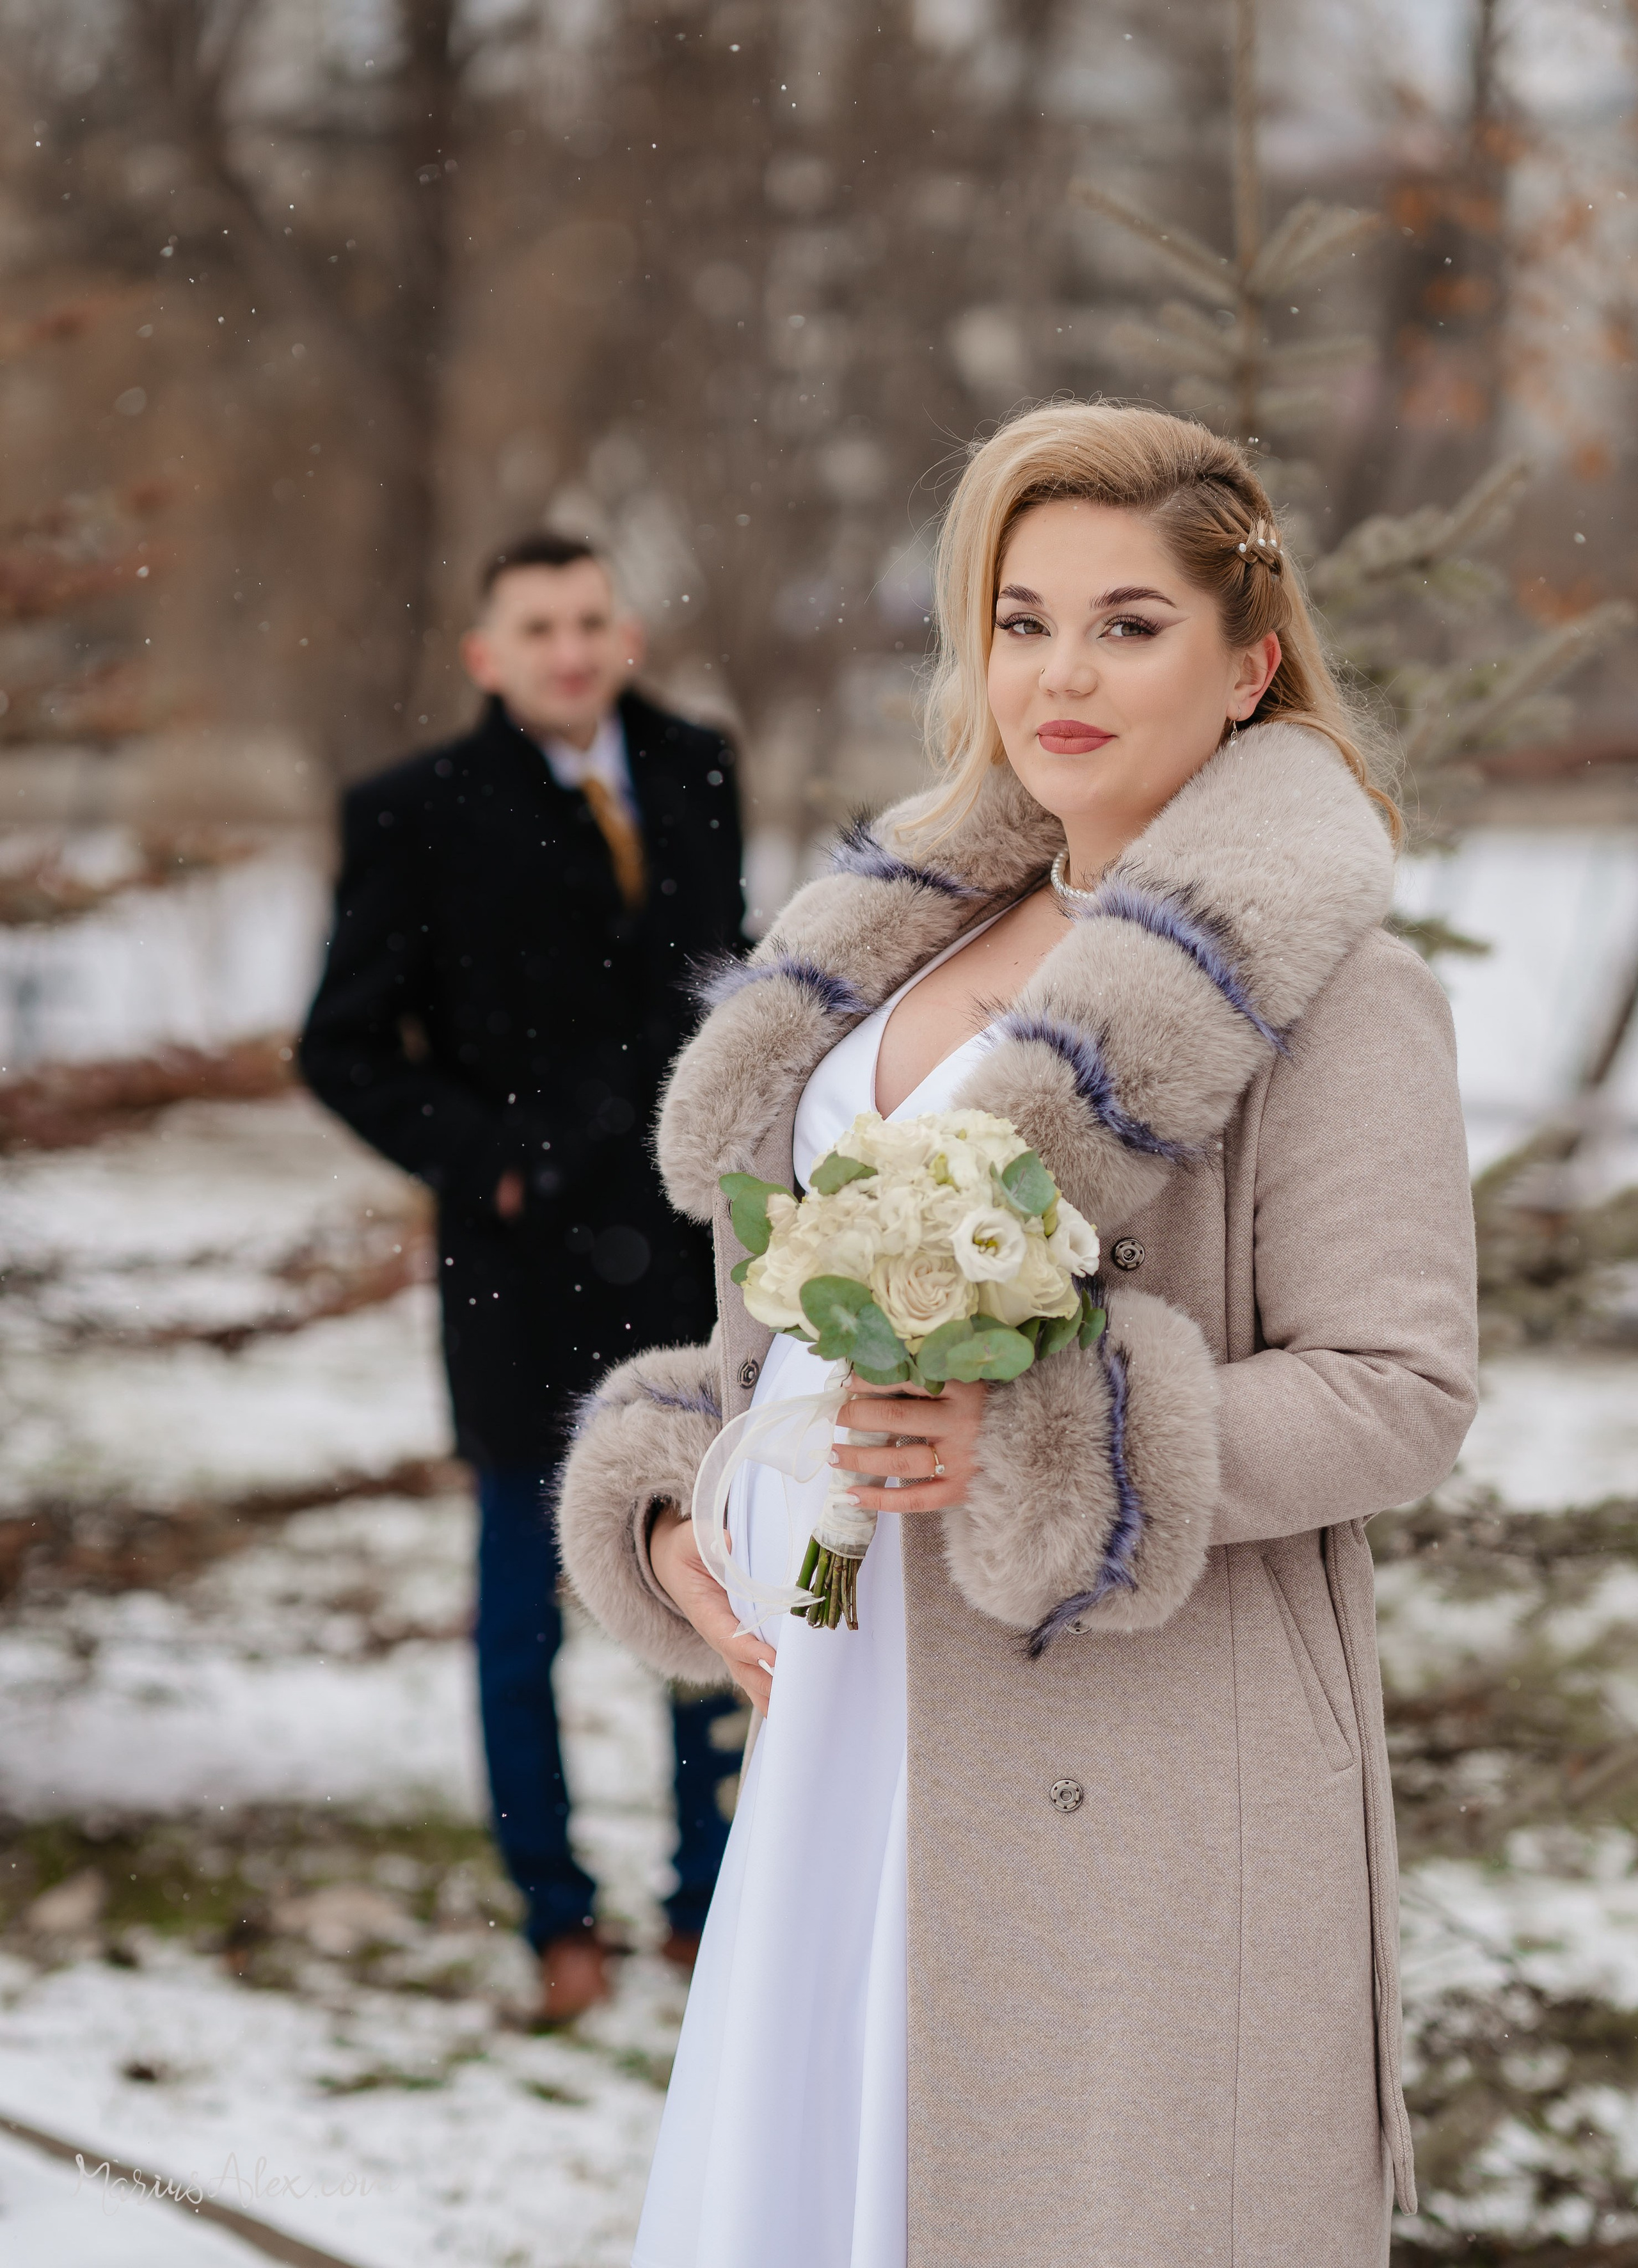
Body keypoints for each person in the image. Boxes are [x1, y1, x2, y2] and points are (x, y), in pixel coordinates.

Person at [555, 404, 1480, 2266]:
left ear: (1250, 664)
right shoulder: (884, 949)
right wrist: (673, 1507)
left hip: (1134, 1755)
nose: (1061, 672)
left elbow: (1401, 1391)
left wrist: (1061, 1446)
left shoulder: (1338, 994)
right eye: (1022, 616)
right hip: (845, 1714)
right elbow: (767, 1341)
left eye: (1133, 624)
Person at [299, 531, 747, 2024]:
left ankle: (709, 1902)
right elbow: (342, 1043)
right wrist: (483, 1156)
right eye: (536, 626)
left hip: (689, 1253)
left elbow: (716, 974)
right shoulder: (415, 811)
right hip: (521, 1269)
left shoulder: (694, 764)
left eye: (589, 620)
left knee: (714, 1571)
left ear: (623, 634)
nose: (569, 648)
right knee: (520, 1608)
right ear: (487, 653)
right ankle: (555, 1914)